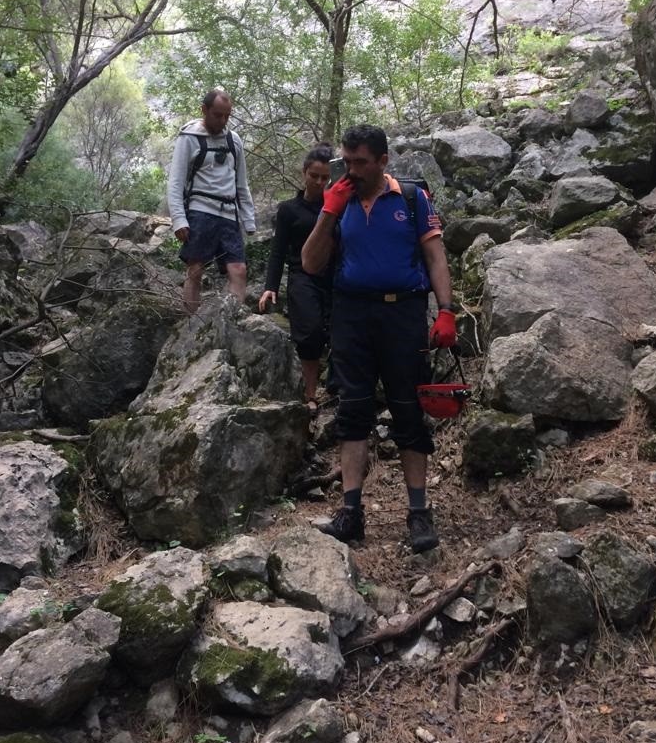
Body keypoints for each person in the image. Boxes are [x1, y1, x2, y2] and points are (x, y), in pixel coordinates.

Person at [301, 123, 456, 554]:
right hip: (352, 313)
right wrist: (329, 212)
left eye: (360, 163)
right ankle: (350, 512)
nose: (351, 171)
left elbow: (435, 257)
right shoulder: (340, 201)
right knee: (352, 410)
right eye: (346, 162)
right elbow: (311, 264)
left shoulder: (412, 198)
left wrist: (446, 310)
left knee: (408, 409)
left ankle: (419, 512)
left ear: (383, 161)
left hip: (404, 312)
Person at [258, 143, 333, 409]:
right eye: (314, 176)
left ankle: (339, 389)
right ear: (304, 173)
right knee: (310, 333)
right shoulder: (289, 210)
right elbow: (278, 251)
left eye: (325, 177)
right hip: (302, 277)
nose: (319, 182)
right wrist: (270, 286)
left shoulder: (337, 206)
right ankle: (310, 394)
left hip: (335, 276)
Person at [167, 88, 256, 311]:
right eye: (218, 115)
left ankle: (232, 323)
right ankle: (192, 328)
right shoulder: (189, 137)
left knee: (239, 270)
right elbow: (176, 181)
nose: (223, 120)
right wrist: (179, 219)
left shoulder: (234, 141)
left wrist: (249, 219)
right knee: (195, 269)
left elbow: (241, 183)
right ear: (204, 110)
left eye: (227, 115)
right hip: (200, 211)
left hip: (228, 213)